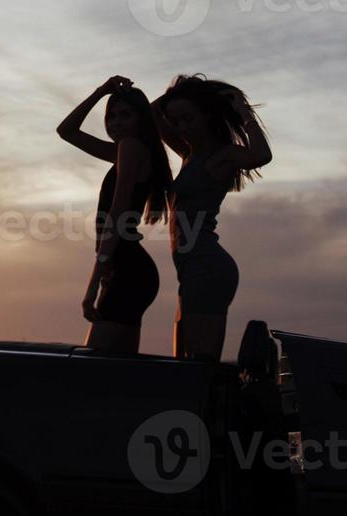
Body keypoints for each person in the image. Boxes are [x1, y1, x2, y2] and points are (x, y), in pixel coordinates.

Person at [153, 75, 271, 360]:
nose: (183, 128)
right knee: (184, 361)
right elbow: (152, 114)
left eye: (189, 119)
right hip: (191, 269)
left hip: (208, 267)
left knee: (199, 363)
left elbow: (261, 155)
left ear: (206, 116)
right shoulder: (188, 154)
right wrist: (183, 90)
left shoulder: (222, 156)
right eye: (177, 121)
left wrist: (243, 114)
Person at [56, 75, 171, 353]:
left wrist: (93, 284)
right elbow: (67, 131)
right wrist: (101, 91)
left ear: (140, 119)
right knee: (120, 369)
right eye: (112, 116)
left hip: (127, 270)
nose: (116, 122)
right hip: (129, 269)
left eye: (125, 115)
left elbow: (117, 214)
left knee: (94, 367)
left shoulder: (130, 149)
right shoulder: (125, 151)